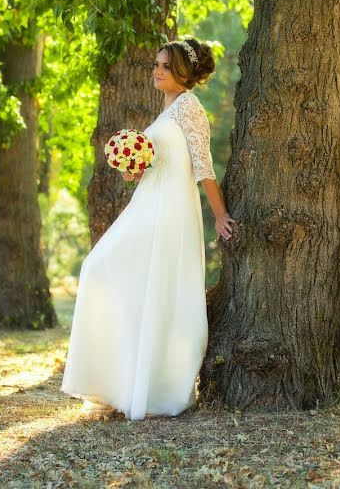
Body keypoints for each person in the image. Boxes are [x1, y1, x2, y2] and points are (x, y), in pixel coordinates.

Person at [61, 38, 235, 420]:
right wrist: (133, 165)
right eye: (156, 64)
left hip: (171, 210)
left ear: (184, 74)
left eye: (166, 67)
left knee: (151, 286)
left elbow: (203, 166)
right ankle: (121, 382)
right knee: (103, 269)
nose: (157, 71)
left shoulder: (189, 107)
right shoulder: (166, 109)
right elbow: (156, 163)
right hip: (147, 203)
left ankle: (156, 388)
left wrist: (220, 215)